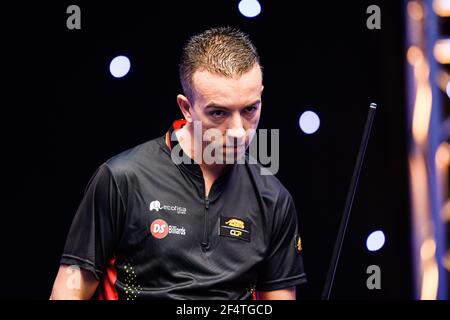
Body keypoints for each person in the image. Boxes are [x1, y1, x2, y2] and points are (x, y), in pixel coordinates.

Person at [50, 26, 306, 300]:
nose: (238, 131)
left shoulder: (274, 198)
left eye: (249, 110)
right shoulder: (121, 179)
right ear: (186, 107)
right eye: (218, 112)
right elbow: (69, 290)